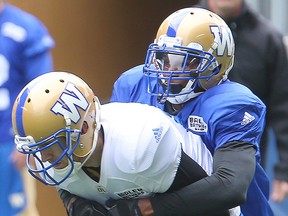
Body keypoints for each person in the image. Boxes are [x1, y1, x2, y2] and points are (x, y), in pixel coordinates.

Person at [108, 7, 273, 216]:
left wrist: (147, 209)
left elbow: (231, 184)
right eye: (164, 59)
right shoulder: (133, 85)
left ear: (215, 64)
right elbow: (106, 152)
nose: (169, 70)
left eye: (183, 61)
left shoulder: (232, 104)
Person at [12, 71, 237, 216]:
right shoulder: (62, 159)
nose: (45, 158)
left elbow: (216, 203)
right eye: (37, 149)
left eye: (49, 145)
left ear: (82, 129)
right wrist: (75, 206)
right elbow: (70, 185)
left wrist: (144, 209)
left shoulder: (141, 143)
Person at [195, 0, 288, 203]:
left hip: (246, 164)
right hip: (189, 157)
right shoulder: (184, 28)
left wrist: (284, 169)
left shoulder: (268, 37)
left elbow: (283, 108)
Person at [0, 1, 54, 215]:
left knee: (16, 211)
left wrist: (28, 139)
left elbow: (41, 92)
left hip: (7, 141)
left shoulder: (25, 28)